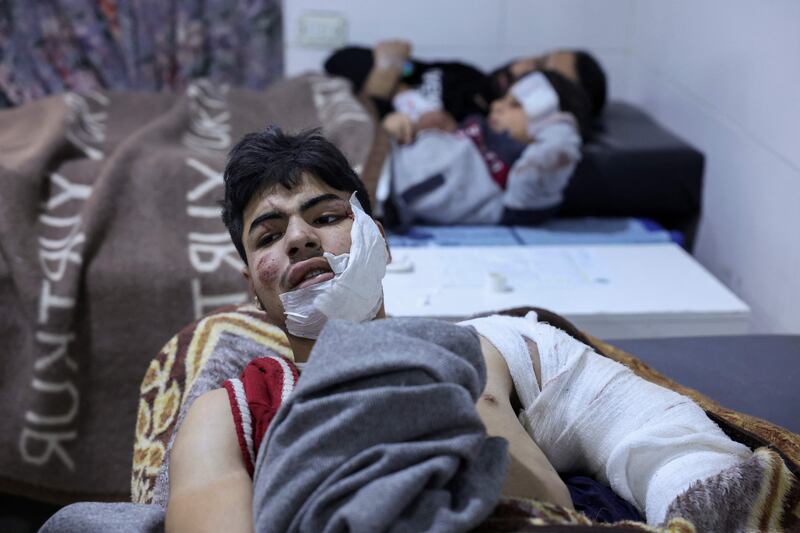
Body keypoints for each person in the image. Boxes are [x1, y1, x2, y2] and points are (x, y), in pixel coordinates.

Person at [165, 127, 751, 532]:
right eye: (269, 236)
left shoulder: (472, 354)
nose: (297, 238)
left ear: (381, 239)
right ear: (253, 286)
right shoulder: (227, 411)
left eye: (325, 218)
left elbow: (546, 505)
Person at [381, 69, 591, 226]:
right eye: (503, 99)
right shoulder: (476, 127)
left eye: (515, 104)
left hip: (381, 192)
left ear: (546, 118)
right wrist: (400, 123)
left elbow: (555, 153)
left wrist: (558, 123)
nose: (496, 106)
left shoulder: (522, 180)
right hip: (380, 149)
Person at [324, 40, 607, 119]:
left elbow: (376, 137)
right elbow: (344, 60)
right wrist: (396, 76)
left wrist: (388, 76)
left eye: (542, 74)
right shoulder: (467, 75)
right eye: (540, 57)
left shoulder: (489, 127)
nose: (524, 68)